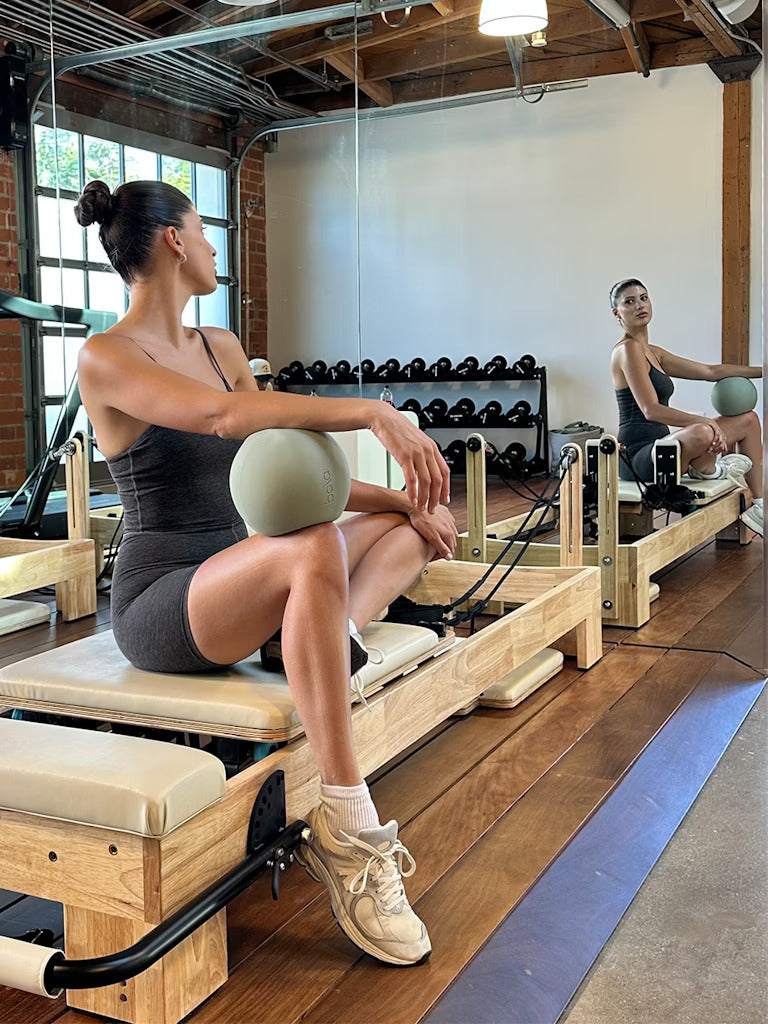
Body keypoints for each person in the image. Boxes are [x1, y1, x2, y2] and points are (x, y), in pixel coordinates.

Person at [73, 179, 459, 967]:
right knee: (313, 546)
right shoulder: (104, 356)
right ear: (175, 241)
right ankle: (348, 830)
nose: (214, 247)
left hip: (239, 570)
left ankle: (312, 638)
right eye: (205, 233)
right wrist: (371, 412)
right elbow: (226, 419)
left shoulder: (219, 346)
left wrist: (403, 501)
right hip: (163, 602)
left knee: (399, 528)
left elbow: (279, 468)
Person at [610, 278, 763, 537]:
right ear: (617, 312)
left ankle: (759, 506)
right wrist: (705, 423)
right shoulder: (626, 351)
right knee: (702, 432)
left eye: (643, 298)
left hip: (666, 447)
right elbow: (651, 410)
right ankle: (712, 469)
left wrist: (764, 371)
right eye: (629, 301)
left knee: (748, 420)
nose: (639, 305)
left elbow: (710, 371)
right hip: (639, 458)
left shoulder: (652, 352)